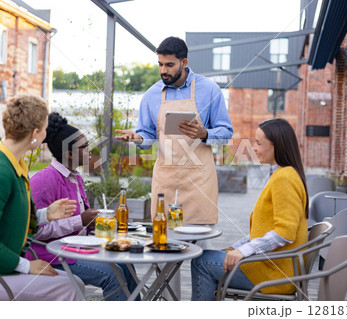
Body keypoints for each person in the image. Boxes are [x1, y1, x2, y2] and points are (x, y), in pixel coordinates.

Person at [0, 95, 84, 301]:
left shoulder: (14, 165)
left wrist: (46, 214)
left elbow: (9, 219)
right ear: (34, 133)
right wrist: (27, 266)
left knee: (76, 284)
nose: (47, 134)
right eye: (45, 128)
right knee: (69, 288)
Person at [116, 36, 233, 225]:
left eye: (169, 65)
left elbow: (226, 133)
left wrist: (204, 134)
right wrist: (137, 138)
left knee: (199, 247)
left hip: (200, 182)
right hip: (166, 181)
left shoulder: (210, 90)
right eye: (160, 64)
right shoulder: (151, 95)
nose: (163, 70)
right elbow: (147, 137)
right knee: (163, 242)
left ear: (184, 62)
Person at [190, 118, 309, 300]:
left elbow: (285, 232)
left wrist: (244, 251)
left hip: (274, 275)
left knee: (202, 261)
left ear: (277, 146)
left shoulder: (284, 178)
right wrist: (236, 247)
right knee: (209, 256)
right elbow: (265, 231)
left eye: (259, 143)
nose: (253, 147)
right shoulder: (282, 174)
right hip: (271, 267)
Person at [28, 112, 139, 301]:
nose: (90, 151)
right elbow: (35, 231)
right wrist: (80, 221)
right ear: (69, 153)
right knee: (114, 275)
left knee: (127, 265)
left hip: (78, 249)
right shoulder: (45, 180)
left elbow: (82, 221)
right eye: (85, 147)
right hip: (51, 255)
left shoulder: (76, 177)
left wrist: (94, 223)